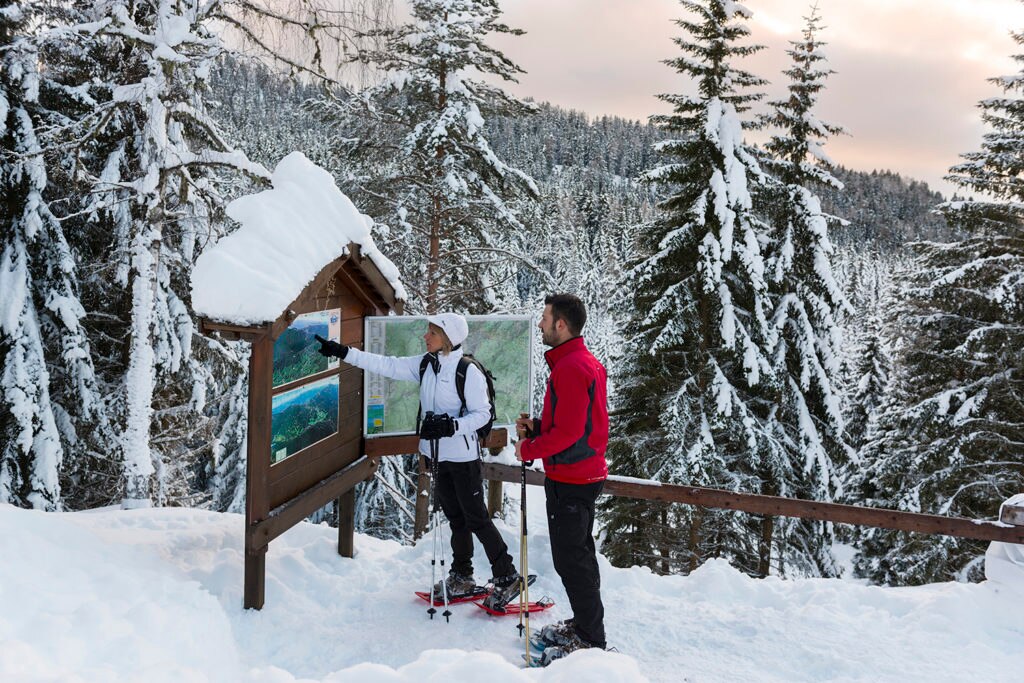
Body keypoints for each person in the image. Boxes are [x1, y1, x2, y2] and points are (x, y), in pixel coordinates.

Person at [315, 313, 520, 597]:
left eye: (432, 333)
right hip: (437, 456)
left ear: (447, 339)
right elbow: (386, 364)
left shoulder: (466, 370)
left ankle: (507, 574)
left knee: (476, 518)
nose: (426, 336)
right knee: (456, 518)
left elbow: (483, 414)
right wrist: (343, 352)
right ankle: (462, 575)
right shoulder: (427, 365)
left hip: (463, 458)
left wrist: (452, 426)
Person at [515, 293, 608, 655]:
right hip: (581, 474)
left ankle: (590, 638)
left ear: (561, 324)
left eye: (544, 318)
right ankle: (585, 625)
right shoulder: (579, 362)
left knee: (572, 561)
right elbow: (577, 425)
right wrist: (539, 428)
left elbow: (569, 433)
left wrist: (529, 448)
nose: (540, 324)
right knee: (577, 557)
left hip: (572, 479)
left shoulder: (571, 368)